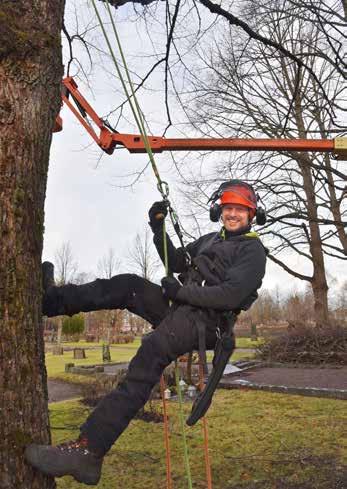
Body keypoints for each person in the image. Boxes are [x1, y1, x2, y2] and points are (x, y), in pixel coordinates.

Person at [25, 180, 267, 486]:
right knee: (128, 285)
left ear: (252, 214)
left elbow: (230, 296)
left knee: (149, 354)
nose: (233, 215)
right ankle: (50, 301)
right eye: (228, 208)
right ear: (219, 211)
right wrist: (158, 228)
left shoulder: (253, 250)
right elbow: (177, 261)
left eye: (240, 210)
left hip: (205, 322)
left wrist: (181, 294)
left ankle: (88, 451)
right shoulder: (210, 239)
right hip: (182, 307)